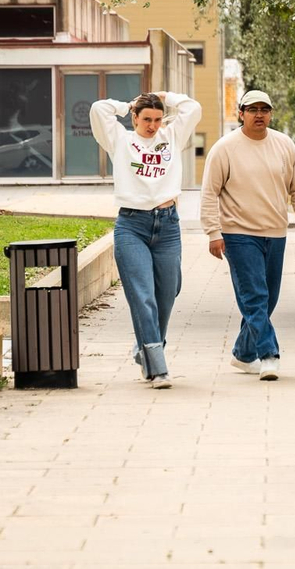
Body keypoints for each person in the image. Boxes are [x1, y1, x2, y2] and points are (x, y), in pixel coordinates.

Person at [200, 89, 295, 381]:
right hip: (238, 233)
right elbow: (209, 193)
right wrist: (213, 232)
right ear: (241, 113)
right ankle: (269, 354)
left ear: (271, 113)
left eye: (265, 109)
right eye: (253, 109)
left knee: (268, 299)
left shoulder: (284, 145)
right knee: (254, 296)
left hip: (276, 232)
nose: (259, 114)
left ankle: (243, 354)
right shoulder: (225, 148)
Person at [90, 89, 201, 390]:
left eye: (157, 119)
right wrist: (124, 104)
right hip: (131, 226)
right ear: (135, 118)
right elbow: (99, 109)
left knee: (167, 293)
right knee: (143, 296)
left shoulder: (171, 137)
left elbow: (193, 108)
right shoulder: (121, 140)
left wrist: (167, 95)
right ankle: (158, 366)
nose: (152, 125)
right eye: (146, 119)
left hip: (167, 225)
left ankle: (145, 350)